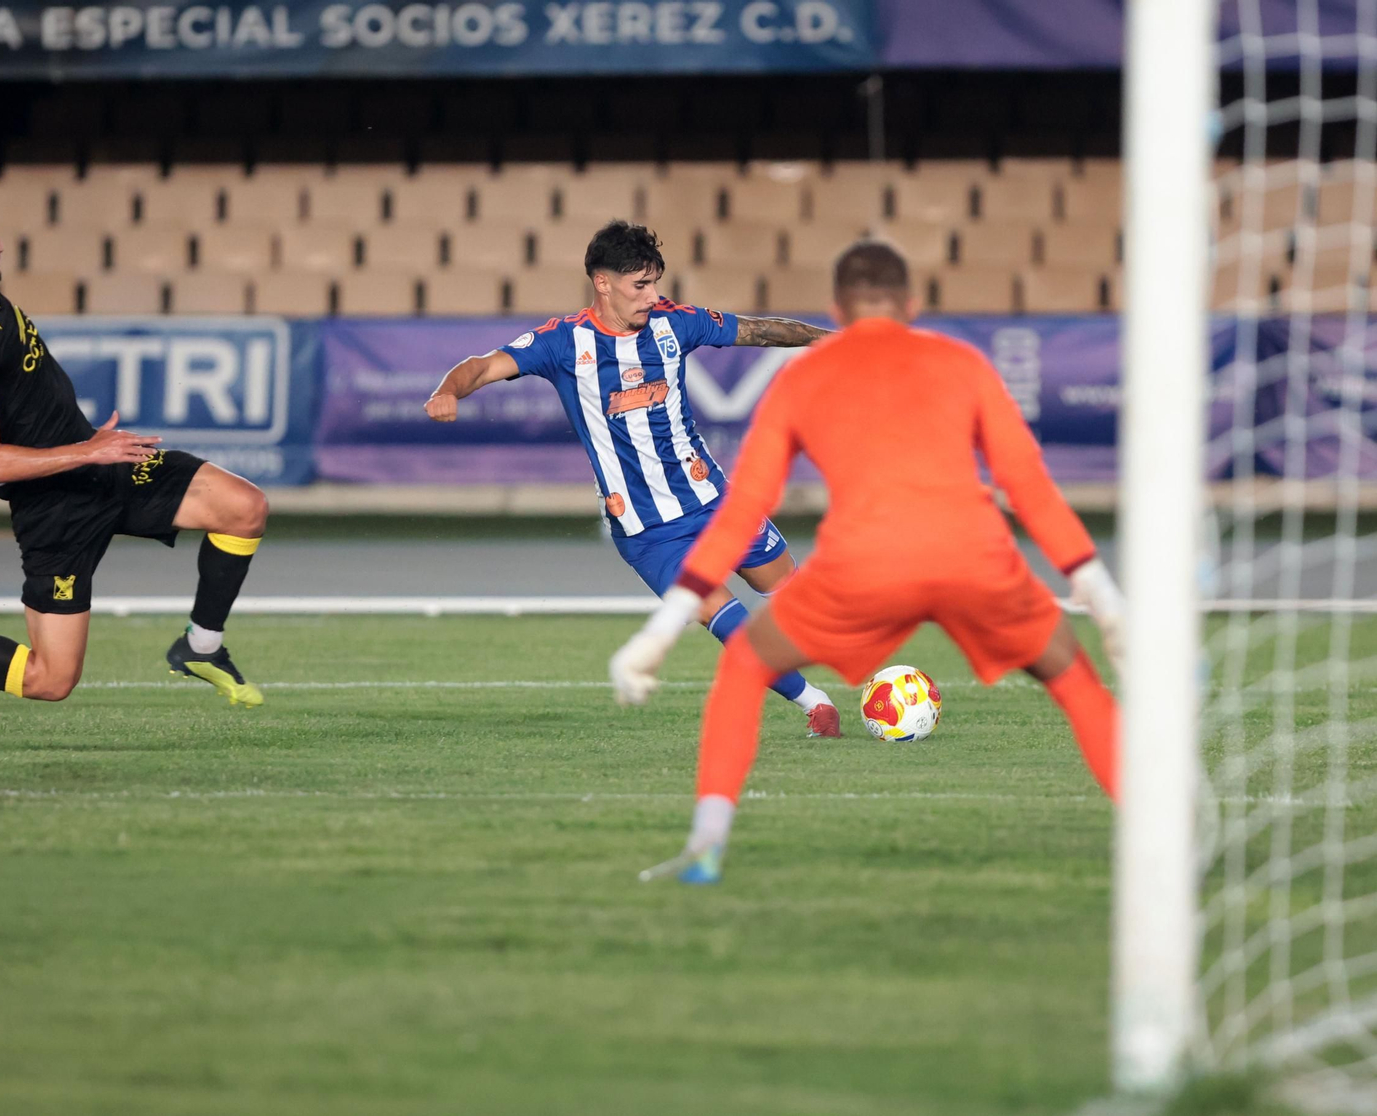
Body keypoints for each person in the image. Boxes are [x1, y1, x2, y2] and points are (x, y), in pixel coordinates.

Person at [610, 238, 1125, 883]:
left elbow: (741, 515)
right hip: (975, 558)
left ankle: (707, 844)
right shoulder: (962, 362)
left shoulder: (803, 378)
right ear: (913, 305)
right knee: (1075, 680)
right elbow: (1028, 487)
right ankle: (1158, 835)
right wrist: (1105, 600)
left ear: (836, 308)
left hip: (863, 566)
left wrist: (660, 631)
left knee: (745, 665)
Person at [0, 194, 269, 706]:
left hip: (103, 469)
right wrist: (89, 451)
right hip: (55, 509)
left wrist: (95, 453)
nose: (1, 244)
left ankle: (202, 648)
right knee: (50, 680)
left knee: (245, 507)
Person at [426, 220, 841, 735]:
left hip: (713, 499)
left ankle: (864, 675)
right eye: (639, 286)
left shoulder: (677, 323)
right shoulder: (562, 343)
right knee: (719, 611)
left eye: (655, 283)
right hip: (648, 531)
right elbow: (481, 367)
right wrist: (448, 390)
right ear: (603, 283)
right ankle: (816, 705)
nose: (652, 296)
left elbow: (760, 330)